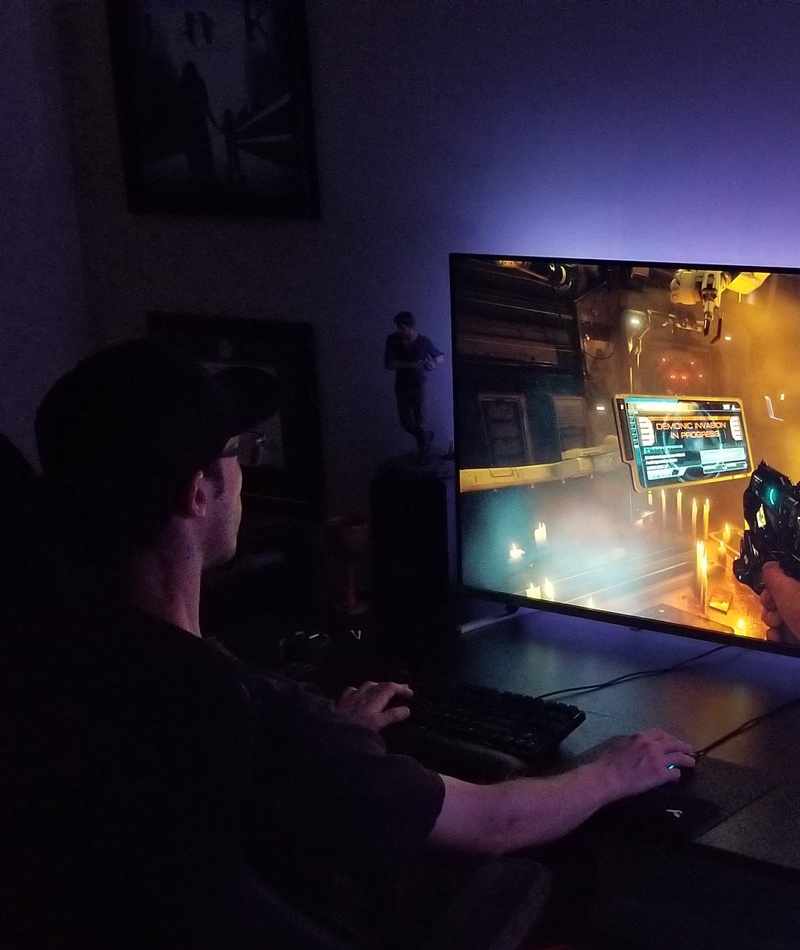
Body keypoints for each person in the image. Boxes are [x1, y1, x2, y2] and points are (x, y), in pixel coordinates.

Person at [34, 338, 693, 882]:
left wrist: (340, 738)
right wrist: (612, 771)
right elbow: (497, 822)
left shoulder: (52, 658)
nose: (245, 473)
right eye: (240, 452)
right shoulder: (259, 716)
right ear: (198, 492)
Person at [383, 311, 443, 459]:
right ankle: (426, 438)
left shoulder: (423, 342)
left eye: (402, 327)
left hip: (419, 385)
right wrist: (412, 364)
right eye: (398, 327)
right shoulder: (393, 340)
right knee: (405, 423)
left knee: (421, 422)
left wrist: (433, 363)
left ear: (410, 326)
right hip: (401, 385)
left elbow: (440, 356)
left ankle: (424, 453)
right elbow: (389, 364)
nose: (399, 330)